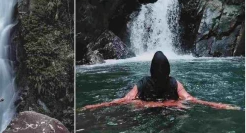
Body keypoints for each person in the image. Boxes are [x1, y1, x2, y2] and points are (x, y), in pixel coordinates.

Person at [81, 51, 240, 110]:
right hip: (171, 112)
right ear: (169, 69)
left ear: (151, 69)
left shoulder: (142, 82)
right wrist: (216, 104)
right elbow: (191, 99)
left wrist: (97, 105)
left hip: (145, 114)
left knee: (135, 105)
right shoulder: (174, 83)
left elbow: (125, 99)